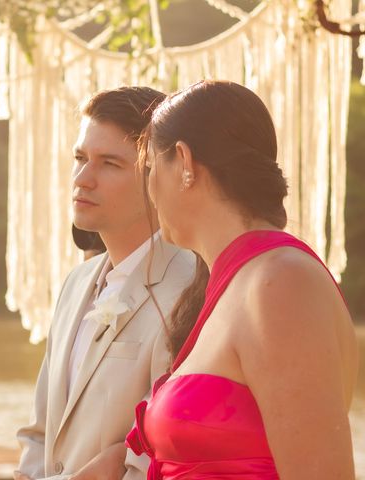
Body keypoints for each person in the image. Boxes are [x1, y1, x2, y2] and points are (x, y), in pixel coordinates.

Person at [126, 80, 359, 479]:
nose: (149, 190)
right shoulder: (235, 285)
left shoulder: (280, 283)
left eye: (150, 169)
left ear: (183, 162)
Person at [15, 86, 195, 480]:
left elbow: (166, 448)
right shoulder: (75, 284)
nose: (82, 178)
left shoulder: (190, 289)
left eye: (109, 164)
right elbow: (39, 431)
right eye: (80, 158)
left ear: (157, 176)